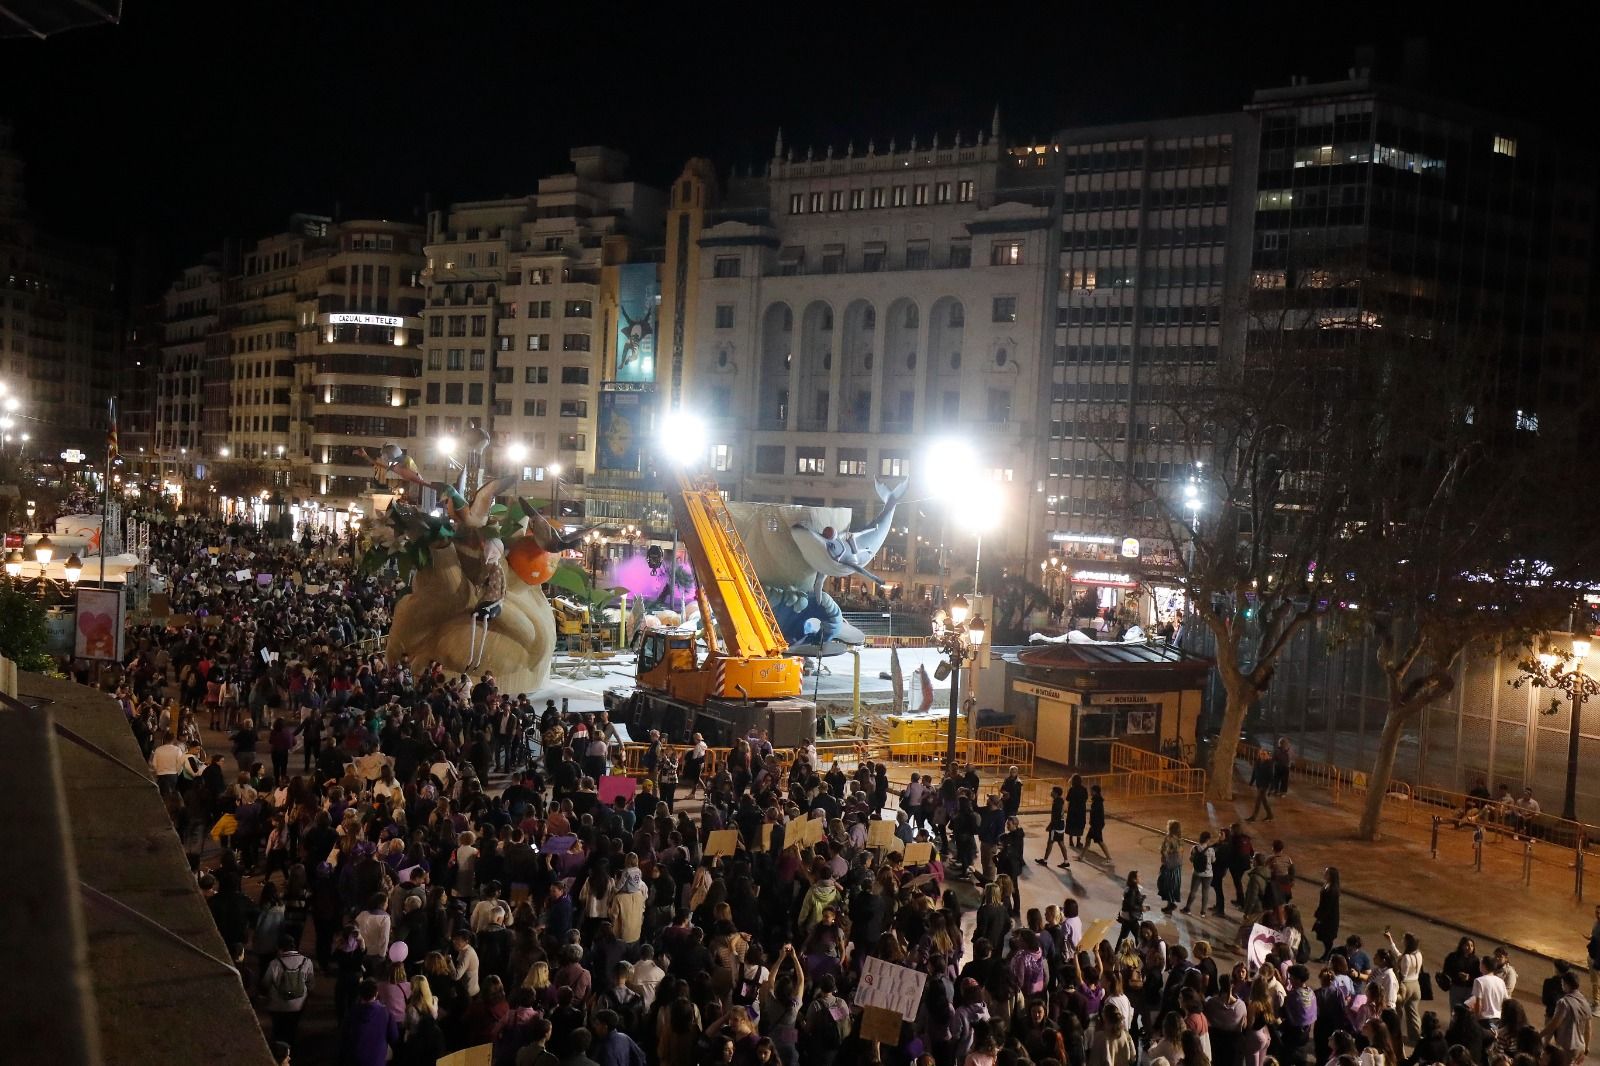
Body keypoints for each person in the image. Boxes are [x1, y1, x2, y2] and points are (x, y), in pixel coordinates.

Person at [261, 933, 315, 1047]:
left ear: (280, 948)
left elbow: (265, 983)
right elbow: (311, 985)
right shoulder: (307, 962)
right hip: (298, 1005)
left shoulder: (274, 963)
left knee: (278, 1030)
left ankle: (278, 1052)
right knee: (292, 1028)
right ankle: (290, 1050)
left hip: (277, 1005)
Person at [341, 977, 399, 1066]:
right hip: (378, 1059)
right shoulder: (385, 1013)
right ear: (376, 993)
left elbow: (345, 1037)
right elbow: (394, 1037)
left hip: (355, 1059)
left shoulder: (352, 1013)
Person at [1541, 971, 1592, 1065]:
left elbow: (1554, 1024)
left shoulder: (1563, 1002)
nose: (1561, 985)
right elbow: (1588, 1029)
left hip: (1567, 1046)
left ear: (1566, 984)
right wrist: (1586, 1047)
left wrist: (1540, 1035)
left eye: (1562, 983)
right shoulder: (1585, 1002)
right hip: (1580, 1046)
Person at [1464, 955, 1507, 1029]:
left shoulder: (1479, 981)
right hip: (1497, 1020)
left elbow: (1478, 1003)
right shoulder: (1501, 981)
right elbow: (1506, 1000)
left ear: (1483, 965)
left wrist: (1476, 1019)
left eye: (1480, 963)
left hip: (1484, 1020)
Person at [1037, 784, 1071, 870]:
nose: (1050, 792)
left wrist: (1050, 826)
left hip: (1056, 826)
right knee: (1061, 842)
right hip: (1061, 825)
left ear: (1055, 793)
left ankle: (1045, 860)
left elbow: (1056, 816)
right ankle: (1066, 861)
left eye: (1052, 791)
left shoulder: (1057, 803)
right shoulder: (1060, 801)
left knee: (1050, 842)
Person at [1183, 831, 1215, 915]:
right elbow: (1213, 860)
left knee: (1193, 891)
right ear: (1208, 840)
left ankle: (1188, 908)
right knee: (1205, 893)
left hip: (1197, 873)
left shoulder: (1195, 848)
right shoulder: (1211, 850)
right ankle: (1203, 912)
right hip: (1208, 874)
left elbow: (1191, 859)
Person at [1313, 868, 1341, 961]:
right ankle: (1327, 954)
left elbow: (1328, 906)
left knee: (1327, 937)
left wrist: (1321, 917)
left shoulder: (1333, 890)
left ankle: (1327, 955)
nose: (1324, 874)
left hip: (1329, 918)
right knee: (1323, 935)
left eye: (1327, 873)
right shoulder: (1327, 885)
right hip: (1325, 915)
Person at [1247, 752, 1275, 822]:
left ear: (1268, 756)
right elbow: (1254, 772)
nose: (1263, 756)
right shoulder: (1257, 762)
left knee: (1258, 801)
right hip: (1258, 784)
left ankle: (1253, 817)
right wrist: (1251, 782)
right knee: (1264, 801)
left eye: (1264, 754)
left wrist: (1271, 788)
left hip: (1264, 785)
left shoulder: (1269, 764)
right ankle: (1270, 815)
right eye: (1261, 754)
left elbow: (1271, 776)